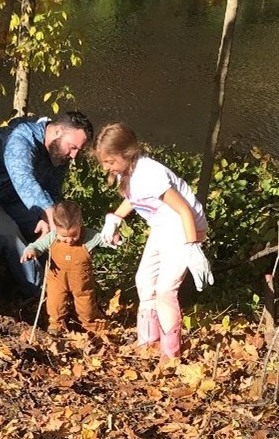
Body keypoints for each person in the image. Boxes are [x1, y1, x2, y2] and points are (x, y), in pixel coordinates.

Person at [92, 122, 214, 359]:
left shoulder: (149, 174)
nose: (106, 167)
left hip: (184, 227)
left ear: (127, 154)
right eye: (103, 162)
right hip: (163, 226)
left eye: (110, 162)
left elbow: (184, 211)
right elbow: (135, 199)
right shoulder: (125, 172)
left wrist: (192, 248)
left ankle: (170, 355)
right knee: (144, 281)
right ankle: (148, 343)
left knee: (165, 290)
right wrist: (115, 218)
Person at [0, 111, 94, 298]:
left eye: (79, 150)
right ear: (58, 131)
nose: (74, 155)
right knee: (7, 231)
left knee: (47, 228)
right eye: (73, 147)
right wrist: (47, 211)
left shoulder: (59, 154)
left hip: (6, 198)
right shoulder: (19, 138)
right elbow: (23, 179)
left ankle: (66, 287)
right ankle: (40, 292)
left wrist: (50, 217)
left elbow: (53, 191)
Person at [20, 200, 109, 333]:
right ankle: (56, 325)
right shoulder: (52, 237)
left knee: (87, 306)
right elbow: (37, 246)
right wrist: (30, 251)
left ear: (80, 225)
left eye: (74, 235)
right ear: (55, 227)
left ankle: (91, 326)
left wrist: (114, 238)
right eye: (64, 236)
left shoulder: (89, 237)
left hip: (82, 283)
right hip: (57, 279)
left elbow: (105, 239)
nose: (69, 240)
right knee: (55, 303)